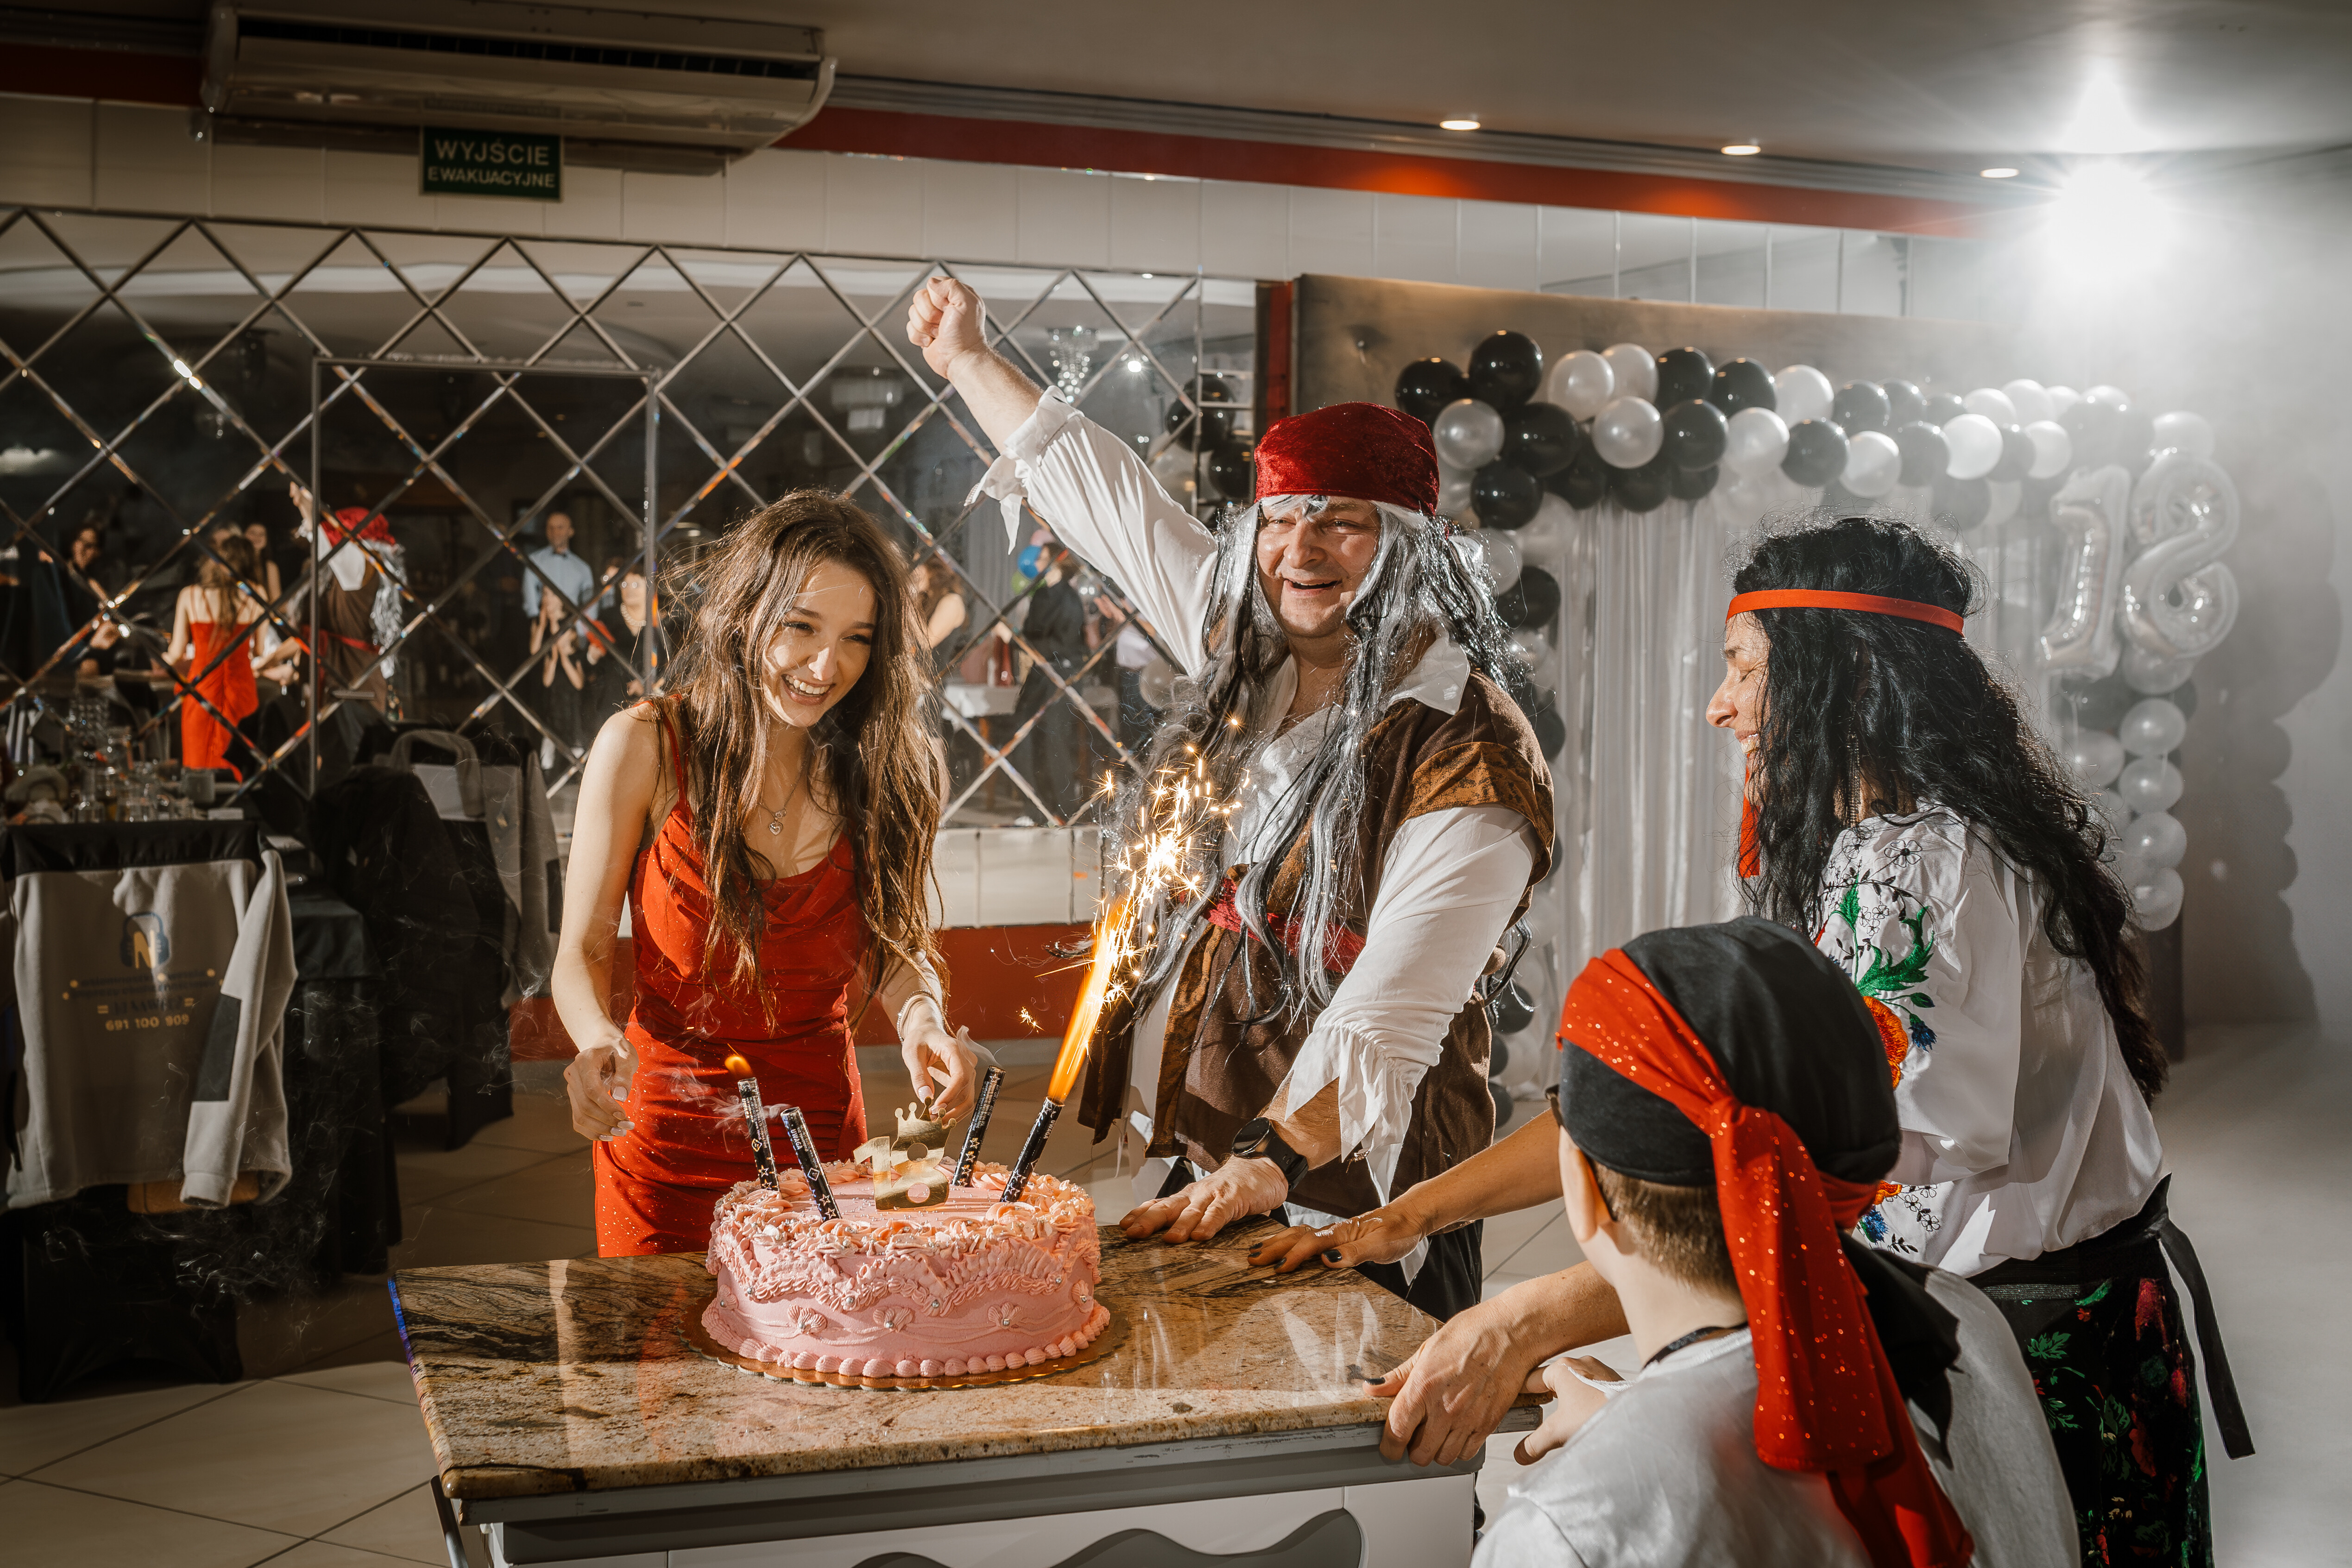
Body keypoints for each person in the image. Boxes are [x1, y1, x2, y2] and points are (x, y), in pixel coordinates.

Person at [1268, 516, 2249, 1561]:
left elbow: (1788, 1174)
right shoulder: (1890, 846)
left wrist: (1531, 1328)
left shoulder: (1919, 866)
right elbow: (1665, 1095)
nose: (1718, 704)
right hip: (1997, 1324)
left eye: (1743, 669)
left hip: (2024, 1352)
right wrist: (1410, 1214)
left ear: (1845, 676)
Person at [910, 277, 1550, 1321]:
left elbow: (1395, 1005)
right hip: (1203, 1153)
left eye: (1342, 525)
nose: (1301, 551)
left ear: (1409, 547)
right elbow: (1110, 502)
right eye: (1280, 520)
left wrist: (1272, 1159)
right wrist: (970, 361)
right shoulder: (1245, 650)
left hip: (1351, 1192)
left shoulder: (1466, 743)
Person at [1476, 919, 2075, 1568]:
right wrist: (1629, 1420)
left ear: (1585, 1188)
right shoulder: (1963, 1324)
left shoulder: (1565, 1532)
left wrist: (1632, 1443)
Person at [553, 491, 986, 1258]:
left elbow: (894, 942)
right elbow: (580, 951)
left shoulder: (887, 764)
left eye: (857, 639)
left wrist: (923, 1020)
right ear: (746, 612)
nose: (826, 667)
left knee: (817, 1326)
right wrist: (594, 1042)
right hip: (664, 1147)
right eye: (801, 627)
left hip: (822, 1145)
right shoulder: (645, 745)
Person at [1003, 543, 1093, 819]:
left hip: (1062, 675)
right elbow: (1032, 635)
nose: (1037, 563)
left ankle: (1064, 810)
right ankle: (1035, 808)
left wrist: (1015, 639)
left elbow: (1062, 646)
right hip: (1040, 673)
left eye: (1042, 558)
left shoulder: (1070, 599)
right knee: (1023, 732)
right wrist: (1019, 639)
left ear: (1057, 562)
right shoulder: (1040, 595)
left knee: (1055, 740)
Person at [166, 530, 265, 776]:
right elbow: (259, 651)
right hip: (241, 691)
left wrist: (158, 661)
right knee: (241, 768)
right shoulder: (257, 594)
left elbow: (176, 653)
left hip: (201, 691)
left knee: (199, 770)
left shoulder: (189, 595)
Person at [521, 510, 598, 632]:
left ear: (571, 531)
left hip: (573, 628)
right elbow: (530, 599)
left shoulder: (583, 568)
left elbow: (590, 603)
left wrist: (580, 632)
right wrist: (538, 626)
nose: (555, 532)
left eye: (560, 528)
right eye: (551, 528)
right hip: (544, 626)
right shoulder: (534, 561)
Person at [908, 556, 968, 663]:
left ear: (933, 567)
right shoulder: (926, 597)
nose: (915, 570)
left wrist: (908, 603)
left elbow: (928, 641)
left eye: (919, 564)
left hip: (927, 670)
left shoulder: (953, 601)